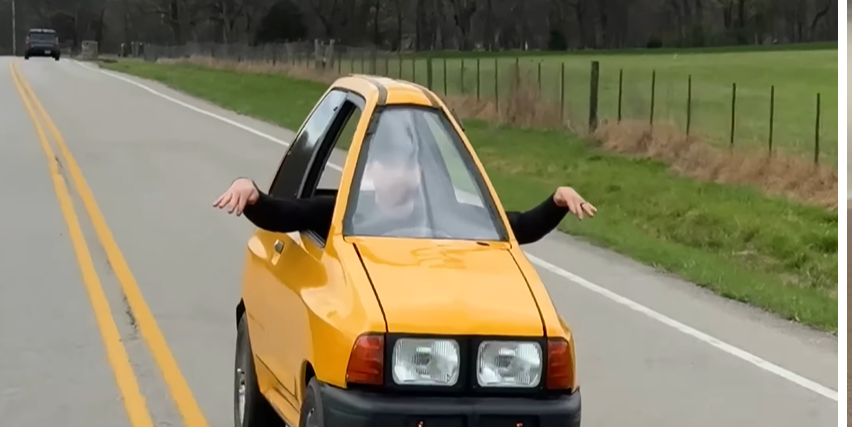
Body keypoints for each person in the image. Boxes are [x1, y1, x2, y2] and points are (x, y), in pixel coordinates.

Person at [212, 134, 597, 243]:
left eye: (414, 164)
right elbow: (285, 215)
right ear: (373, 171)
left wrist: (557, 201)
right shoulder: (342, 211)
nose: (409, 173)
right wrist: (252, 195)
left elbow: (517, 227)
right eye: (396, 163)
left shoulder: (444, 212)